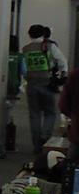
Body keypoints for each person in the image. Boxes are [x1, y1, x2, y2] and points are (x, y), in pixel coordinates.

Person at [22, 24, 68, 154]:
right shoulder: (49, 46)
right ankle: (45, 138)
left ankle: (36, 143)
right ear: (43, 34)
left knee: (34, 114)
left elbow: (24, 69)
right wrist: (63, 74)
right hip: (47, 84)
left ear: (29, 35)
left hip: (31, 84)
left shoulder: (25, 49)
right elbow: (62, 61)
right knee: (50, 112)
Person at [59, 68, 79, 162]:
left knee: (71, 165)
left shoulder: (75, 75)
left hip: (77, 132)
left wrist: (73, 116)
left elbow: (63, 105)